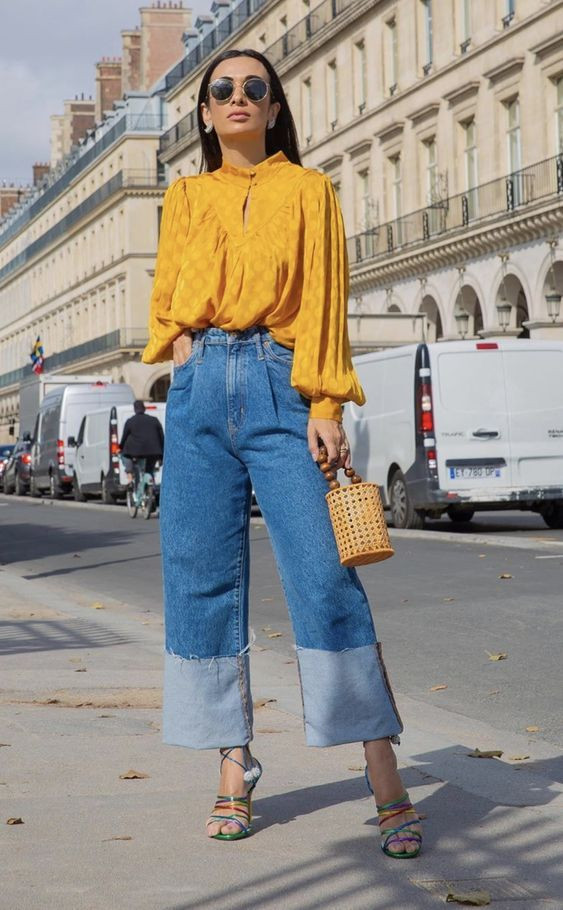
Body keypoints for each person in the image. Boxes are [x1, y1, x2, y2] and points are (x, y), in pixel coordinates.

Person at [141, 48, 422, 857]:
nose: (236, 97)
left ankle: (380, 767)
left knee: (324, 577)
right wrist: (184, 343)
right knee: (199, 580)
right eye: (221, 90)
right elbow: (164, 299)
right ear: (204, 114)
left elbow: (326, 298)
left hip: (278, 380)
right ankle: (233, 765)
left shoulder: (308, 189)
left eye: (253, 89)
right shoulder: (185, 195)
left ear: (272, 109)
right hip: (197, 396)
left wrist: (326, 402)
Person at [119, 400, 164, 488]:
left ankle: (130, 476)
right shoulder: (154, 420)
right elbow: (162, 437)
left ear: (135, 409)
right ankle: (150, 482)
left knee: (124, 455)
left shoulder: (130, 421)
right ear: (144, 409)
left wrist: (120, 447)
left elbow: (124, 437)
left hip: (135, 452)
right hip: (154, 452)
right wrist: (162, 453)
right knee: (149, 470)